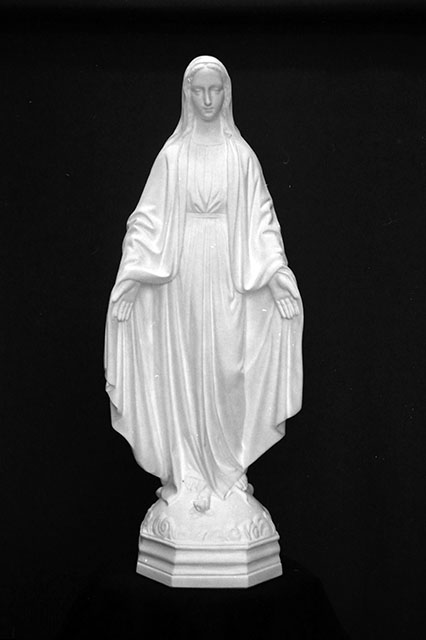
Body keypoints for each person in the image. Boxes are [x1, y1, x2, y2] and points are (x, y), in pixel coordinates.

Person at [105, 55, 303, 514]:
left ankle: (229, 472)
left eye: (216, 90)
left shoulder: (241, 157)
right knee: (187, 367)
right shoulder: (173, 157)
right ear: (187, 95)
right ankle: (188, 473)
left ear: (226, 94)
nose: (208, 99)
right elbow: (146, 221)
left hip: (230, 276)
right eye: (200, 91)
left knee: (227, 368)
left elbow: (262, 221)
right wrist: (132, 277)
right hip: (183, 276)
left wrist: (275, 276)